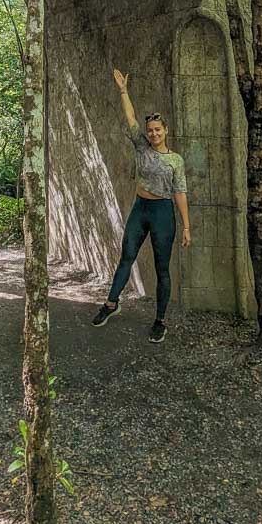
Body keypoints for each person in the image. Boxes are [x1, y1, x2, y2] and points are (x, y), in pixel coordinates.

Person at [91, 67, 191, 343]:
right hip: (140, 209)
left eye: (158, 130)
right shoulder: (141, 146)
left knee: (162, 269)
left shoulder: (175, 160)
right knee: (126, 257)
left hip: (162, 214)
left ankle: (160, 320)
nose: (154, 133)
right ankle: (111, 304)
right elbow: (130, 117)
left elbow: (180, 192)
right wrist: (123, 90)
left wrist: (186, 226)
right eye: (150, 131)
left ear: (165, 131)